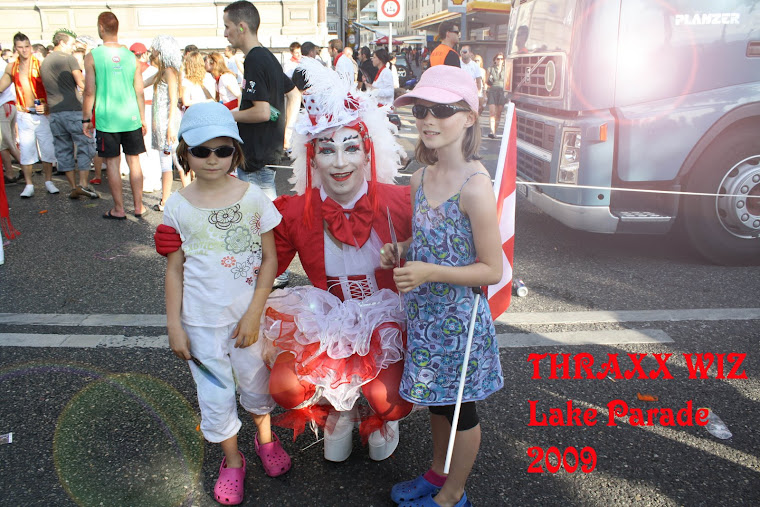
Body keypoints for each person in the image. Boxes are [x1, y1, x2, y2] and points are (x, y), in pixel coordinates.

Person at [154, 57, 413, 464]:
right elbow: (252, 255)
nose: (340, 163)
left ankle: (380, 416)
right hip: (327, 319)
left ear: (368, 152)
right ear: (311, 157)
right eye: (327, 150)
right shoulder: (294, 211)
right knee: (285, 386)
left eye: (351, 148)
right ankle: (337, 408)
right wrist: (184, 236)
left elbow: (447, 237)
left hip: (385, 321)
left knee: (389, 399)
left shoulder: (400, 203)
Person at [385, 65, 503, 507]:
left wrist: (431, 272)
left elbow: (492, 268)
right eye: (420, 111)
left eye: (442, 110)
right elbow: (431, 236)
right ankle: (438, 474)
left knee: (460, 409)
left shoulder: (475, 187)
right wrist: (402, 249)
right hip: (426, 315)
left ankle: (453, 495)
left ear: (469, 117)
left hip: (460, 322)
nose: (428, 120)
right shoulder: (419, 179)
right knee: (437, 402)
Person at [164, 101, 290, 506]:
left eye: (222, 150)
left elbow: (270, 258)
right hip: (200, 323)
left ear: (236, 151)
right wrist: (174, 325)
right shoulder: (177, 206)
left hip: (247, 320)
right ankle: (232, 461)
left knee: (256, 386)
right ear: (186, 153)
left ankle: (265, 440)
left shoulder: (253, 198)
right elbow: (174, 271)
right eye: (201, 151)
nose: (212, 159)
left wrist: (255, 311)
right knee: (214, 398)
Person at [83, 12, 147, 219]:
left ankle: (119, 209)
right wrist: (142, 118)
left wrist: (86, 118)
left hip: (106, 118)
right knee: (134, 161)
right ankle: (139, 206)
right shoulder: (131, 56)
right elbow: (139, 91)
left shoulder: (93, 56)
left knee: (112, 163)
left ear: (101, 27)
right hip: (131, 117)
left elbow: (89, 91)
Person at [39, 28, 99, 200]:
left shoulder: (44, 61)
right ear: (62, 43)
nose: (73, 48)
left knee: (63, 150)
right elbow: (81, 83)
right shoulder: (69, 59)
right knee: (85, 146)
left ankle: (73, 187)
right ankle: (83, 184)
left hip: (55, 113)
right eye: (71, 44)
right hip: (73, 110)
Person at [0, 32, 58, 198]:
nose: (24, 50)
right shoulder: (12, 66)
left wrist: (47, 105)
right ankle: (29, 184)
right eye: (20, 47)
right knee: (26, 150)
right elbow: (2, 85)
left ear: (30, 47)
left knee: (47, 148)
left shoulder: (40, 64)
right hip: (24, 113)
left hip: (42, 113)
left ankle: (48, 181)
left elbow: (53, 88)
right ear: (15, 48)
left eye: (27, 46)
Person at [147, 35, 182, 211]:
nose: (152, 51)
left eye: (154, 49)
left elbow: (173, 99)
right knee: (168, 161)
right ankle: (165, 200)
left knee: (177, 161)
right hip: (162, 122)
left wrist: (170, 126)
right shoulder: (163, 71)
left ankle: (186, 199)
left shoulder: (168, 71)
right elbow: (140, 84)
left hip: (167, 122)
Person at [0, 46, 21, 185]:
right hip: (9, 105)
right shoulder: (4, 64)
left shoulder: (3, 65)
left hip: (3, 106)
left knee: (4, 143)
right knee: (7, 142)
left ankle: (21, 169)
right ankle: (10, 172)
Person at [486, 52, 507, 139]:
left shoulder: (506, 69)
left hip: (502, 91)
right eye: (498, 59)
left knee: (498, 113)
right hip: (493, 90)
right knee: (492, 113)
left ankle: (495, 130)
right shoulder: (490, 69)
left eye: (501, 59)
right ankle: (492, 131)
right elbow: (486, 81)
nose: (499, 60)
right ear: (495, 60)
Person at [459, 46, 483, 114]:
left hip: (471, 93)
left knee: (470, 112)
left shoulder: (475, 66)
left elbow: (478, 82)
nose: (463, 54)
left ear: (470, 53)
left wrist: (478, 95)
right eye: (461, 52)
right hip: (459, 93)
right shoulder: (457, 63)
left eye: (465, 52)